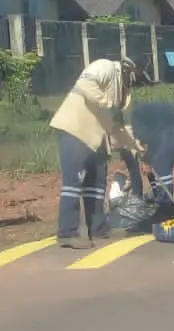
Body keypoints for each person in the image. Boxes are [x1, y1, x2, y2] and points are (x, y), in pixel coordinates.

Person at [49, 56, 145, 248]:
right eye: (137, 75)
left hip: (96, 137)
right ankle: (67, 233)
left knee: (97, 180)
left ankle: (98, 228)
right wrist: (107, 103)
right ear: (128, 68)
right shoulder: (105, 67)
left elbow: (118, 126)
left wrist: (136, 148)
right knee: (73, 182)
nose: (137, 81)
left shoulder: (124, 94)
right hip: (75, 129)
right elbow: (85, 85)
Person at [117, 99, 174, 222]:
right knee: (155, 162)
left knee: (161, 162)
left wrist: (146, 160)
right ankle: (161, 199)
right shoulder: (134, 119)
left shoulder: (135, 120)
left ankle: (166, 207)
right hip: (169, 127)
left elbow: (155, 141)